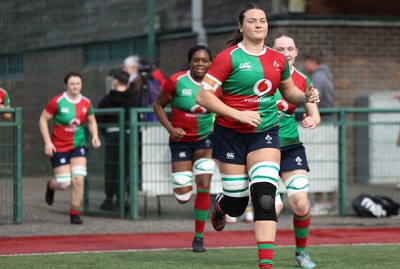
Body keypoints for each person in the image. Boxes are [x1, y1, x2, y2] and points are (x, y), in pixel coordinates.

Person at [196, 4, 319, 269]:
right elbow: (203, 96)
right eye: (252, 21)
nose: (259, 24)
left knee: (265, 196)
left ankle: (265, 264)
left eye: (262, 20)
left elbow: (289, 93)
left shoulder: (276, 59)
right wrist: (237, 114)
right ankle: (222, 204)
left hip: (264, 133)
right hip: (230, 134)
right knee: (237, 203)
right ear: (241, 27)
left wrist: (305, 96)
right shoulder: (228, 57)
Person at [153, 45, 219, 253]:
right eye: (196, 60)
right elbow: (157, 105)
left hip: (205, 142)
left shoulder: (216, 84)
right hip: (180, 143)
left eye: (204, 61)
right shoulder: (176, 81)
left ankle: (198, 238)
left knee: (204, 182)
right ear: (190, 62)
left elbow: (224, 107)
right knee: (182, 195)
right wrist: (171, 128)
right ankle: (182, 188)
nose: (200, 64)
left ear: (210, 63)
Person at [272, 34, 320, 268]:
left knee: (301, 204)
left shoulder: (302, 79)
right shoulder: (261, 76)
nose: (286, 53)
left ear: (296, 52)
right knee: (273, 206)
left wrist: (313, 119)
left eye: (290, 48)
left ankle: (301, 253)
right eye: (280, 49)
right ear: (272, 51)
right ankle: (266, 259)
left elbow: (314, 112)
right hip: (262, 146)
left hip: (291, 147)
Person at [39, 71, 101, 224]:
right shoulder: (57, 102)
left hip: (77, 145)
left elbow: (92, 121)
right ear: (66, 85)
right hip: (58, 146)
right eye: (72, 84)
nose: (75, 87)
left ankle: (74, 213)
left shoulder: (86, 102)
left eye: (78, 84)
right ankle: (50, 186)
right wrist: (48, 142)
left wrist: (95, 136)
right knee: (64, 183)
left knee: (79, 179)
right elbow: (42, 120)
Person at [303, 48, 336, 215]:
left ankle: (322, 202)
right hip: (329, 123)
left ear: (313, 62)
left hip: (321, 125)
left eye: (307, 62)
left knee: (317, 163)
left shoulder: (317, 77)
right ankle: (329, 201)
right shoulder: (327, 75)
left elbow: (314, 100)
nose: (305, 65)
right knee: (328, 163)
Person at [97, 70, 134, 211]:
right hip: (128, 137)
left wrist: (106, 133)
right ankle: (122, 199)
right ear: (128, 82)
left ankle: (108, 199)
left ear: (116, 81)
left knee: (111, 166)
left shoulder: (106, 100)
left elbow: (99, 119)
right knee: (126, 168)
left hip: (112, 137)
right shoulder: (133, 99)